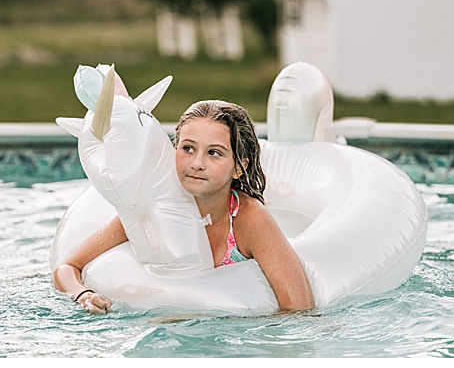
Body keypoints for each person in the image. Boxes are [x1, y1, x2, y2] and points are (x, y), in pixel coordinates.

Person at [51, 100, 314, 314]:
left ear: (239, 166)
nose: (197, 163)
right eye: (188, 148)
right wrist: (83, 294)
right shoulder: (150, 212)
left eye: (214, 153)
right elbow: (67, 267)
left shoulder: (248, 219)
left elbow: (299, 307)